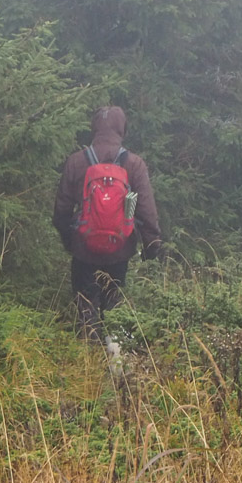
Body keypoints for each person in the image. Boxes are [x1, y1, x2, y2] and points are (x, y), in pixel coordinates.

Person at [53, 106, 163, 338]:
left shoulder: (76, 162)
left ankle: (88, 363)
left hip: (83, 251)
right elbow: (147, 211)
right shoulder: (134, 164)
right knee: (115, 310)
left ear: (94, 128)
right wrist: (152, 246)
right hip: (119, 251)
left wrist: (70, 241)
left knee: (86, 312)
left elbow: (61, 211)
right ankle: (115, 363)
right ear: (122, 128)